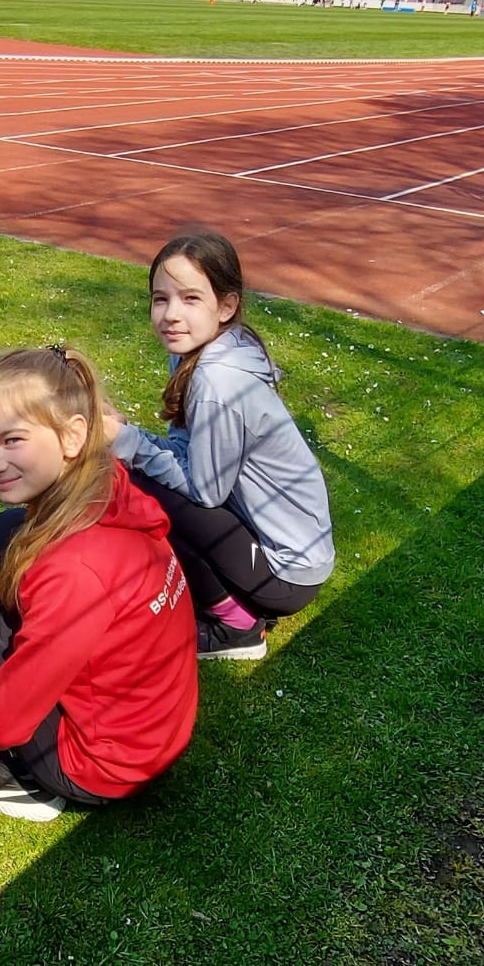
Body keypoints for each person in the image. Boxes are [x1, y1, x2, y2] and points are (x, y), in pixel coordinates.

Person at [0, 347, 198, 822]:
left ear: (72, 435)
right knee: (8, 529)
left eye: (12, 440)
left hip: (99, 767)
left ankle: (22, 780)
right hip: (153, 734)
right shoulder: (105, 483)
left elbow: (6, 718)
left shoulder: (74, 569)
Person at [107, 230, 334, 662]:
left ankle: (236, 627)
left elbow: (204, 492)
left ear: (226, 306)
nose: (171, 315)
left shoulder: (217, 380)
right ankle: (220, 596)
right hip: (282, 552)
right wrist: (127, 435)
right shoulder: (201, 351)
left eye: (191, 299)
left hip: (288, 574)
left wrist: (126, 441)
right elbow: (186, 453)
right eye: (160, 299)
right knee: (141, 474)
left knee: (140, 487)